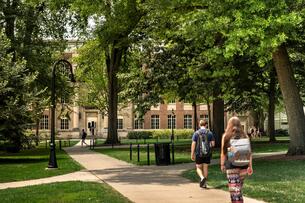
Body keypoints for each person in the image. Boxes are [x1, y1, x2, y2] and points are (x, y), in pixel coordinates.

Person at [220, 117, 253, 203]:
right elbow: (249, 153)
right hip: (243, 165)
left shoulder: (226, 136)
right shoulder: (245, 136)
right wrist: (250, 166)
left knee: (235, 190)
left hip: (231, 166)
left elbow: (223, 153)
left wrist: (222, 164)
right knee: (238, 189)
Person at [191, 120, 215, 188]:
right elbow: (213, 144)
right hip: (207, 154)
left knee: (198, 167)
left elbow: (193, 144)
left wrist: (192, 154)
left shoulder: (196, 133)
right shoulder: (210, 133)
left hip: (199, 153)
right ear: (206, 125)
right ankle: (204, 184)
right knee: (205, 168)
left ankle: (202, 178)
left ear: (199, 125)